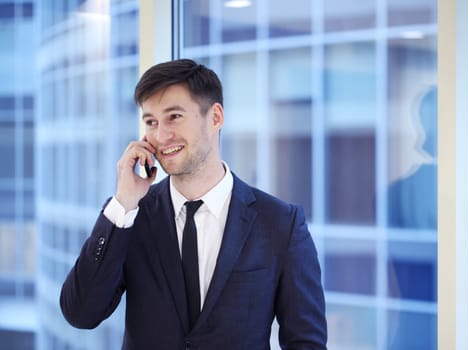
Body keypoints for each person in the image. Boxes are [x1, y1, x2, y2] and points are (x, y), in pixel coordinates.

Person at [60, 58, 327, 349]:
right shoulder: (131, 217)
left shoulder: (280, 224)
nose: (161, 135)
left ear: (215, 118)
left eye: (174, 116)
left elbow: (306, 343)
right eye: (151, 122)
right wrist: (123, 203)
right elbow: (81, 313)